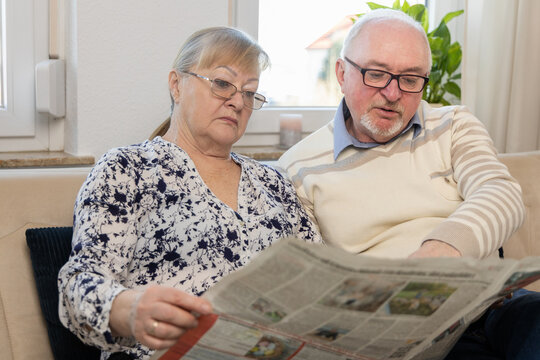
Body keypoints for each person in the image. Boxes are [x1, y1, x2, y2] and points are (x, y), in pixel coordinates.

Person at [278, 9, 540, 360]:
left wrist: (439, 253)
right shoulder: (296, 168)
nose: (392, 92)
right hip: (411, 338)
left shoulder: (454, 123)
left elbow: (501, 193)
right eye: (376, 74)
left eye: (411, 78)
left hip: (494, 306)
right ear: (342, 73)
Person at [58, 27, 322, 360]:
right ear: (176, 84)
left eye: (250, 92)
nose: (238, 101)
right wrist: (130, 309)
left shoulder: (274, 183)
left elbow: (321, 281)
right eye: (222, 83)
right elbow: (78, 287)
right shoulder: (127, 169)